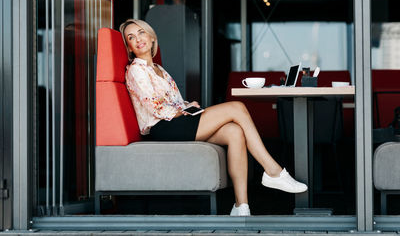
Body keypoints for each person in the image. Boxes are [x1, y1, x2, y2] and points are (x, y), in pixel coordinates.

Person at [120, 19, 307, 216]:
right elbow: (155, 107)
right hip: (163, 127)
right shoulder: (136, 69)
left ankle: (241, 206)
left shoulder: (159, 69)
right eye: (131, 37)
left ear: (151, 37)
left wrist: (187, 106)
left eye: (141, 33)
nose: (138, 39)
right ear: (130, 48)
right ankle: (273, 171)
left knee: (234, 132)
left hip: (175, 121)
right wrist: (181, 111)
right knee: (237, 107)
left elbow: (172, 101)